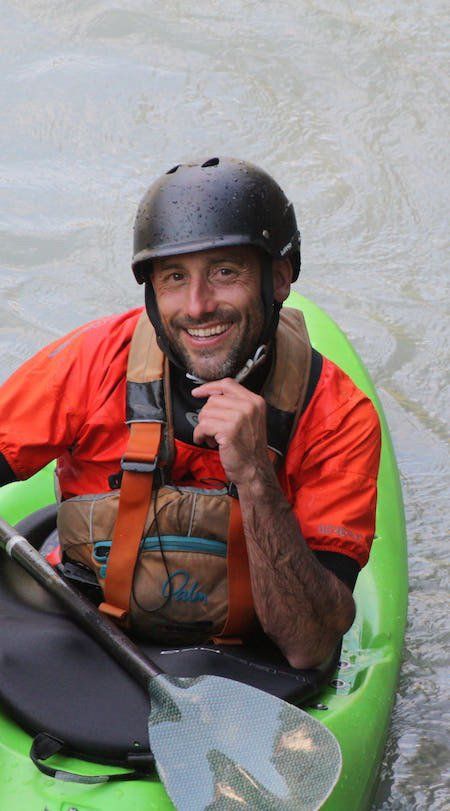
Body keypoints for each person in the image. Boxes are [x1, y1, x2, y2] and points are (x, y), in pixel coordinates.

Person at [0, 157, 380, 669]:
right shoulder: (92, 361)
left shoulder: (338, 417)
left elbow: (308, 646)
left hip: (247, 664)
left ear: (279, 278)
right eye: (174, 277)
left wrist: (255, 475)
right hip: (84, 629)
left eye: (225, 272)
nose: (198, 306)